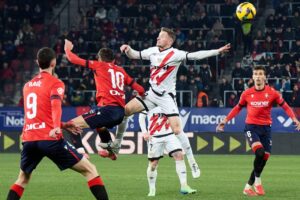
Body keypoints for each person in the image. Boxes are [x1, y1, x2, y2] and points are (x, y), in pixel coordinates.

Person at [102, 27, 230, 178]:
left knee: (177, 130)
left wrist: (217, 51)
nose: (157, 39)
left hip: (166, 97)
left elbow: (196, 55)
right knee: (124, 111)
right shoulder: (153, 50)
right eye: (158, 36)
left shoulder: (176, 54)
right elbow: (135, 55)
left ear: (169, 40)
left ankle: (193, 162)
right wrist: (128, 49)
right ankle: (117, 145)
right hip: (151, 94)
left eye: (161, 37)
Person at [6, 47, 109, 200]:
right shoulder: (56, 83)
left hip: (29, 139)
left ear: (37, 63)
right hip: (49, 139)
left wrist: (64, 125)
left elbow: (39, 117)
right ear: (54, 63)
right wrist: (56, 127)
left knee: (22, 179)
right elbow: (55, 106)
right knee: (90, 170)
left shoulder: (27, 86)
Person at [216, 66, 300, 197]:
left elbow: (285, 106)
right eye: (256, 74)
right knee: (260, 153)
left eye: (261, 74)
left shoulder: (272, 93)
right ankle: (254, 184)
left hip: (266, 129)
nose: (258, 76)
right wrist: (225, 120)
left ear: (265, 77)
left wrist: (294, 118)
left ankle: (252, 185)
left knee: (265, 157)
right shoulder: (247, 93)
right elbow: (237, 108)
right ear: (253, 77)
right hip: (251, 128)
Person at [63, 39, 145, 160]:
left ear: (100, 59)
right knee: (100, 126)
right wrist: (142, 95)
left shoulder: (98, 65)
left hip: (107, 110)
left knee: (70, 125)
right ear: (114, 60)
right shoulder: (121, 71)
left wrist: (67, 49)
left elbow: (73, 59)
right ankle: (111, 153)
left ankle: (81, 153)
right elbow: (140, 89)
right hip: (120, 113)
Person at [139, 107, 196, 196]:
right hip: (154, 137)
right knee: (153, 164)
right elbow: (141, 116)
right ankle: (152, 189)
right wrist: (144, 132)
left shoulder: (169, 99)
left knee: (179, 155)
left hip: (170, 135)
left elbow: (175, 115)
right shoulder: (149, 100)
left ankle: (184, 186)